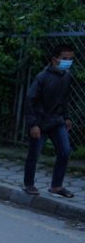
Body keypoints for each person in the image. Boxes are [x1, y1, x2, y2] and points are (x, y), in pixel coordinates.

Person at [23, 44, 76, 198]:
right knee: (34, 154)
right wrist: (33, 124)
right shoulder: (42, 77)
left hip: (57, 121)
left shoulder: (67, 76)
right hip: (40, 122)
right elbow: (30, 100)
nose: (68, 62)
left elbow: (64, 98)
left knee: (65, 151)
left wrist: (66, 117)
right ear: (54, 60)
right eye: (64, 59)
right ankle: (29, 184)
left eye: (70, 59)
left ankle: (56, 186)